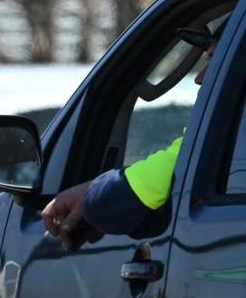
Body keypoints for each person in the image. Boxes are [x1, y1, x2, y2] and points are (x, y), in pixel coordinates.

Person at [42, 24, 220, 251]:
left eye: (214, 59)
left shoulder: (224, 131)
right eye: (208, 61)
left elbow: (117, 200)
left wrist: (92, 195)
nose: (200, 78)